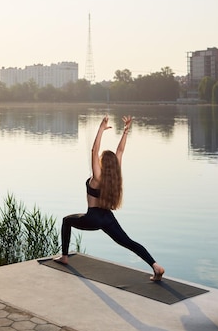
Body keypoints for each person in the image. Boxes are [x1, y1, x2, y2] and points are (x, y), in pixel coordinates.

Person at [55, 115, 165, 281]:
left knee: (66, 221)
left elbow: (94, 150)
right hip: (107, 218)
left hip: (92, 218)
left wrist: (100, 129)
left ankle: (64, 257)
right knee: (128, 242)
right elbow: (120, 151)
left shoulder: (97, 177)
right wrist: (126, 130)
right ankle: (155, 266)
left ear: (102, 163)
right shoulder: (114, 175)